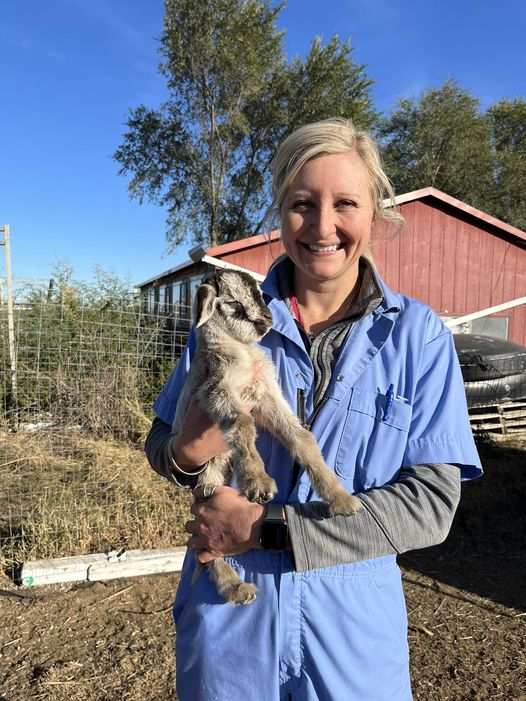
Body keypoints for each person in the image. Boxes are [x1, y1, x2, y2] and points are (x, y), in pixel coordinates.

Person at [145, 117, 482, 701]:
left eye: (346, 203)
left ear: (375, 211)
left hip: (354, 626)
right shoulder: (226, 319)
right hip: (229, 619)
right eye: (303, 203)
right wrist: (184, 451)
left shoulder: (419, 338)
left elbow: (431, 505)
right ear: (280, 211)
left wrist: (272, 530)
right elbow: (161, 449)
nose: (323, 227)